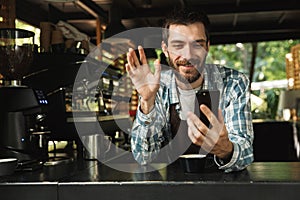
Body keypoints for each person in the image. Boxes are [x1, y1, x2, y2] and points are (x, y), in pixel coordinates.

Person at [125, 8, 254, 173]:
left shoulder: (234, 83)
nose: (188, 54)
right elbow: (144, 158)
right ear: (165, 48)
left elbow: (246, 154)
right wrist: (147, 102)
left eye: (197, 44)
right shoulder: (157, 86)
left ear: (207, 46)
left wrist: (226, 149)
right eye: (178, 45)